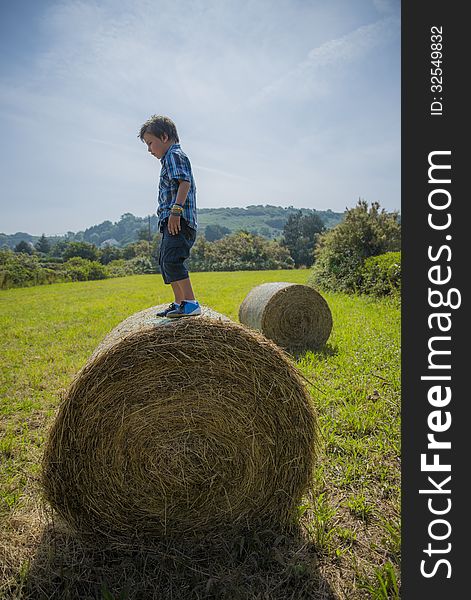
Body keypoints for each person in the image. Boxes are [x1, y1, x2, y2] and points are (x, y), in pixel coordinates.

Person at [138, 115, 201, 318]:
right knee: (165, 262)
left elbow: (184, 183)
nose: (149, 149)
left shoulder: (174, 155)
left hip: (179, 220)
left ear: (164, 137)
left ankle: (191, 303)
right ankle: (179, 302)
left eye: (150, 143)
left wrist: (176, 211)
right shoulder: (167, 160)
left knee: (173, 260)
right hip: (170, 221)